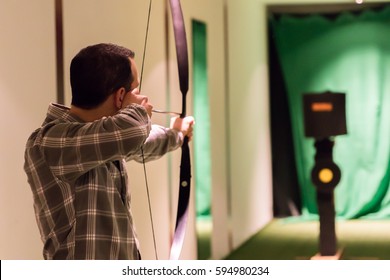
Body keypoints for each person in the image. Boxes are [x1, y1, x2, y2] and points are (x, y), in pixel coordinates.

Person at [24, 43, 194, 260]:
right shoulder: (49, 141)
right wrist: (139, 111)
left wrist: (177, 134)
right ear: (120, 96)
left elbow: (141, 141)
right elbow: (131, 133)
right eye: (136, 89)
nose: (141, 96)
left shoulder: (104, 137)